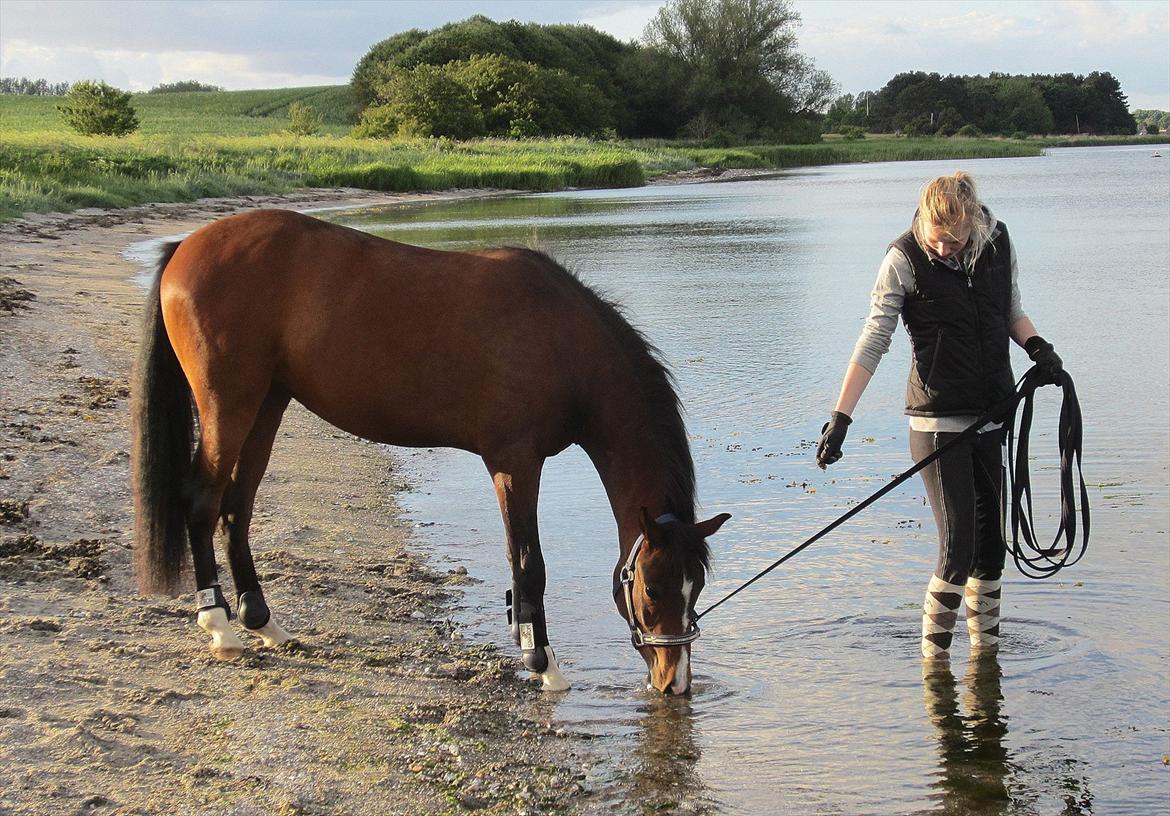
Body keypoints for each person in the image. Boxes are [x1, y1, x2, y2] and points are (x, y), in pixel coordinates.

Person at [816, 171, 1063, 660]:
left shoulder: (998, 241)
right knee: (958, 551)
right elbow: (874, 341)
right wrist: (841, 418)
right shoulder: (902, 259)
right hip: (936, 426)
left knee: (992, 551)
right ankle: (934, 666)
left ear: (973, 223)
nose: (945, 250)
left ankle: (985, 660)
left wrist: (1038, 347)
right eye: (937, 241)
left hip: (991, 415)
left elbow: (1010, 310)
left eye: (955, 241)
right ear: (923, 225)